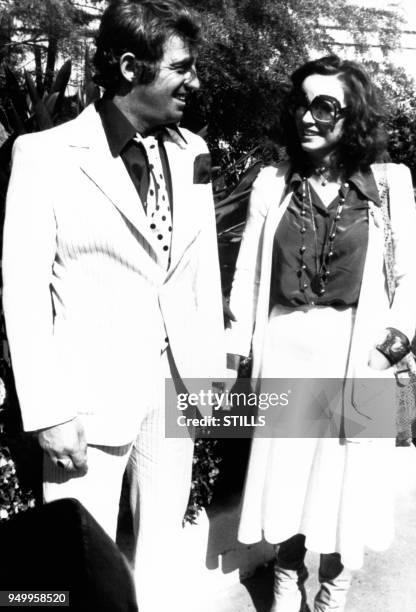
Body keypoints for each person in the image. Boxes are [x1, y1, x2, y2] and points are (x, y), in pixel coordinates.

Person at [2, 1, 225, 610]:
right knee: (79, 565)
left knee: (160, 553)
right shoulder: (44, 155)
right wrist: (48, 410)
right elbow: (21, 291)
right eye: (183, 67)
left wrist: (207, 378)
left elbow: (199, 274)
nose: (195, 81)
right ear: (130, 66)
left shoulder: (192, 152)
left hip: (174, 390)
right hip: (87, 401)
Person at [226, 55, 416, 611]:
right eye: (302, 104)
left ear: (351, 113)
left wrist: (388, 353)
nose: (308, 117)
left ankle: (333, 589)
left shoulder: (389, 185)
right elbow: (248, 279)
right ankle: (286, 579)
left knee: (348, 483)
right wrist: (237, 355)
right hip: (287, 352)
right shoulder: (273, 183)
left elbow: (410, 277)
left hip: (359, 357)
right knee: (286, 477)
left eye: (325, 106)